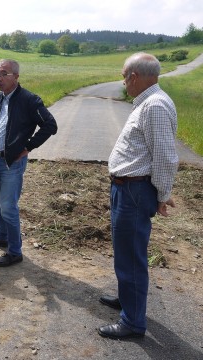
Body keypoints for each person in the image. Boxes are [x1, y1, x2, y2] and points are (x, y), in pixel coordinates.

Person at [98, 52, 178, 339]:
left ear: (134, 76)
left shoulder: (154, 106)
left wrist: (161, 194)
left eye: (123, 76)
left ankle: (132, 322)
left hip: (134, 190)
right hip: (128, 187)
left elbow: (166, 157)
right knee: (125, 252)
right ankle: (127, 299)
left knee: (131, 256)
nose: (123, 82)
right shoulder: (148, 102)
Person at [0, 59, 57, 267]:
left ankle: (15, 251)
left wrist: (28, 147)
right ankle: (1, 235)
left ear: (16, 77)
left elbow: (50, 125)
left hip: (12, 164)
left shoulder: (29, 100)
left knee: (8, 206)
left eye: (4, 74)